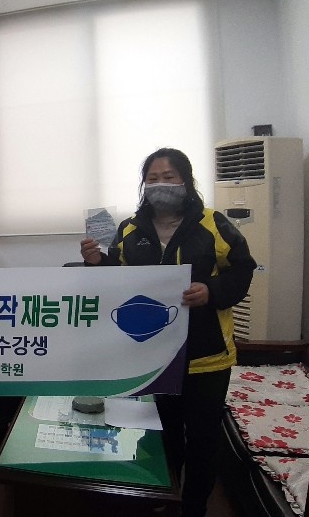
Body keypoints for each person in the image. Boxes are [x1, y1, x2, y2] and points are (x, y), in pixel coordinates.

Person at [79, 148, 255, 517]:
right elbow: (118, 282)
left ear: (186, 181)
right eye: (153, 178)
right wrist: (96, 263)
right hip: (153, 355)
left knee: (203, 438)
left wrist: (212, 291)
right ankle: (164, 496)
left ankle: (194, 507)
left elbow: (242, 269)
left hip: (206, 356)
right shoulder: (129, 230)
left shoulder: (213, 224)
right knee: (162, 433)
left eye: (169, 177)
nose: (161, 184)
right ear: (144, 185)